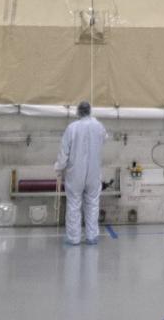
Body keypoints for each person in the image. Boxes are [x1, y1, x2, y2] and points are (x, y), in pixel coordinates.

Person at [54, 101, 106, 246]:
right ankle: (92, 236)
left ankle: (73, 238)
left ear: (78, 111)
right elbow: (104, 138)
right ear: (90, 111)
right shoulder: (98, 126)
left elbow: (64, 152)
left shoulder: (72, 128)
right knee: (93, 203)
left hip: (75, 172)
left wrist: (59, 168)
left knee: (74, 204)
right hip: (93, 172)